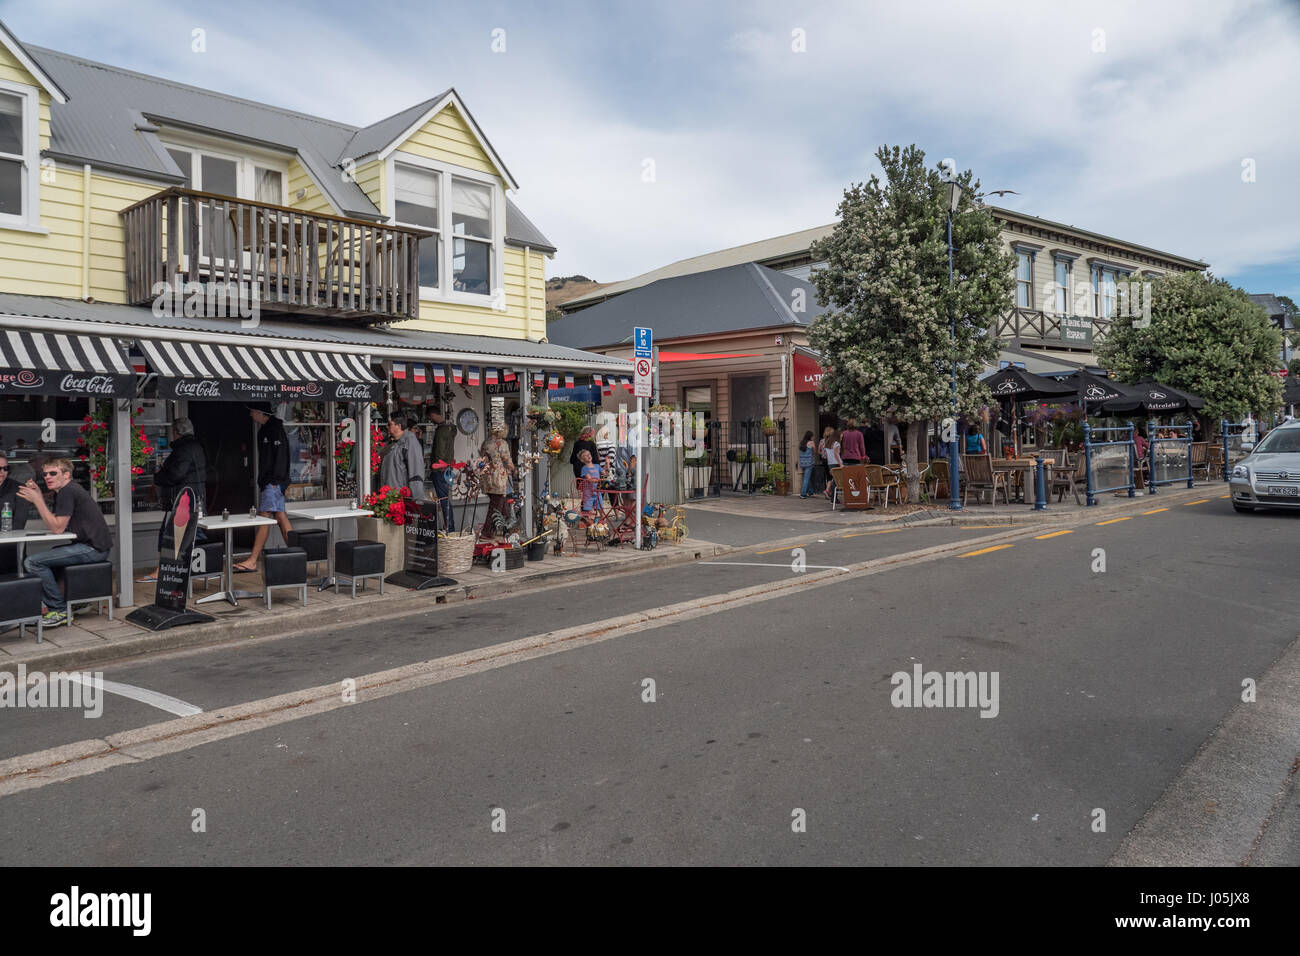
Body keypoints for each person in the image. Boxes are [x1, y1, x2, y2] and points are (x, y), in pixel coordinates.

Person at [18, 457, 112, 627]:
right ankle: (76, 600)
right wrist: (40, 495)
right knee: (52, 554)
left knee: (32, 562)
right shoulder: (67, 490)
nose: (47, 477)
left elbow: (57, 528)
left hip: (93, 549)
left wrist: (38, 500)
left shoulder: (68, 491)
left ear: (67, 474)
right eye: (45, 474)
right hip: (95, 546)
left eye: (53, 473)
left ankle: (60, 610)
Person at [137, 418, 208, 583]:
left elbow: (175, 474)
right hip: (195, 497)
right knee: (196, 534)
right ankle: (206, 569)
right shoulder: (196, 446)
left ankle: (162, 570)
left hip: (181, 499)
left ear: (177, 432)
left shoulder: (183, 449)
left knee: (167, 535)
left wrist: (158, 477)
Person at [233, 403, 292, 573]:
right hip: (272, 482)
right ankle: (299, 553)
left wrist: (275, 481)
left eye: (252, 411)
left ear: (260, 412)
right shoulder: (265, 430)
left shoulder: (275, 429)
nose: (251, 415)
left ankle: (252, 560)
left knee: (264, 517)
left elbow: (281, 457)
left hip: (273, 483)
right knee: (280, 516)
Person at [479, 425, 516, 540]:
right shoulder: (502, 443)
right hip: (498, 479)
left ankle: (509, 530)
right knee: (496, 507)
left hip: (487, 477)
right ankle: (487, 532)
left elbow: (482, 457)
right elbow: (507, 460)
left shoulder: (486, 442)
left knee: (502, 504)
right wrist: (514, 469)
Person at [379, 414, 426, 501]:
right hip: (388, 495)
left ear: (399, 426)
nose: (387, 427)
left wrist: (418, 501)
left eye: (390, 424)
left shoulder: (410, 442)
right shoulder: (390, 442)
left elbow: (416, 472)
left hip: (401, 497)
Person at [0, 453, 32, 576]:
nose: (2, 472)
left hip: (10, 546)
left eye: (6, 468)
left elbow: (19, 522)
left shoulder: (19, 488)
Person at [428, 407, 457, 532]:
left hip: (440, 468)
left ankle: (449, 527)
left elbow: (439, 451)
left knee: (443, 499)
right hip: (448, 467)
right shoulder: (450, 429)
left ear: (433, 415)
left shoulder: (441, 431)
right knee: (446, 498)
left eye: (430, 417)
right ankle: (449, 526)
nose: (430, 419)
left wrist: (436, 467)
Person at [577, 448, 601, 519]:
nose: (588, 456)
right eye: (585, 455)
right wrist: (596, 480)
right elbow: (589, 479)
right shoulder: (584, 468)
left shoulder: (597, 466)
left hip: (597, 492)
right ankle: (592, 526)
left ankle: (603, 526)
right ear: (582, 460)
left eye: (589, 454)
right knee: (591, 513)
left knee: (601, 509)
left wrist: (607, 463)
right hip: (588, 494)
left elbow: (605, 472)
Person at [820, 427, 841, 501]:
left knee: (831, 478)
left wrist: (823, 456)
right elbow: (836, 453)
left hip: (828, 462)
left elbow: (821, 451)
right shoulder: (835, 443)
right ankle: (830, 493)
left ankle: (830, 493)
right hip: (834, 462)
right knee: (834, 479)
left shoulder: (824, 441)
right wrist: (840, 463)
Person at [798, 431, 816, 498]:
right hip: (809, 462)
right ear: (810, 436)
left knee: (807, 477)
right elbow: (814, 452)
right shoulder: (811, 443)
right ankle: (803, 493)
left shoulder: (801, 443)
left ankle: (810, 492)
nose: (813, 437)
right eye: (813, 436)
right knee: (806, 478)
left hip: (802, 462)